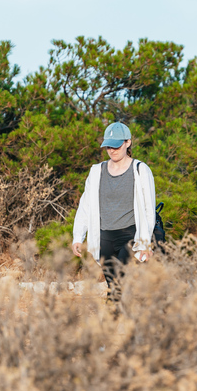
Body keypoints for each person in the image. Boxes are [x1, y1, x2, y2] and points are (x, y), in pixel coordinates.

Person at [72, 122, 156, 301]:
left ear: (128, 142)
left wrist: (146, 243)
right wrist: (78, 236)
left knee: (120, 281)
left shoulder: (140, 170)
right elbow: (85, 205)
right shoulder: (96, 172)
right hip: (104, 237)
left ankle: (118, 320)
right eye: (108, 146)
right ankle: (119, 321)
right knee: (112, 284)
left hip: (130, 234)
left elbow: (149, 209)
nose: (112, 150)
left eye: (116, 145)